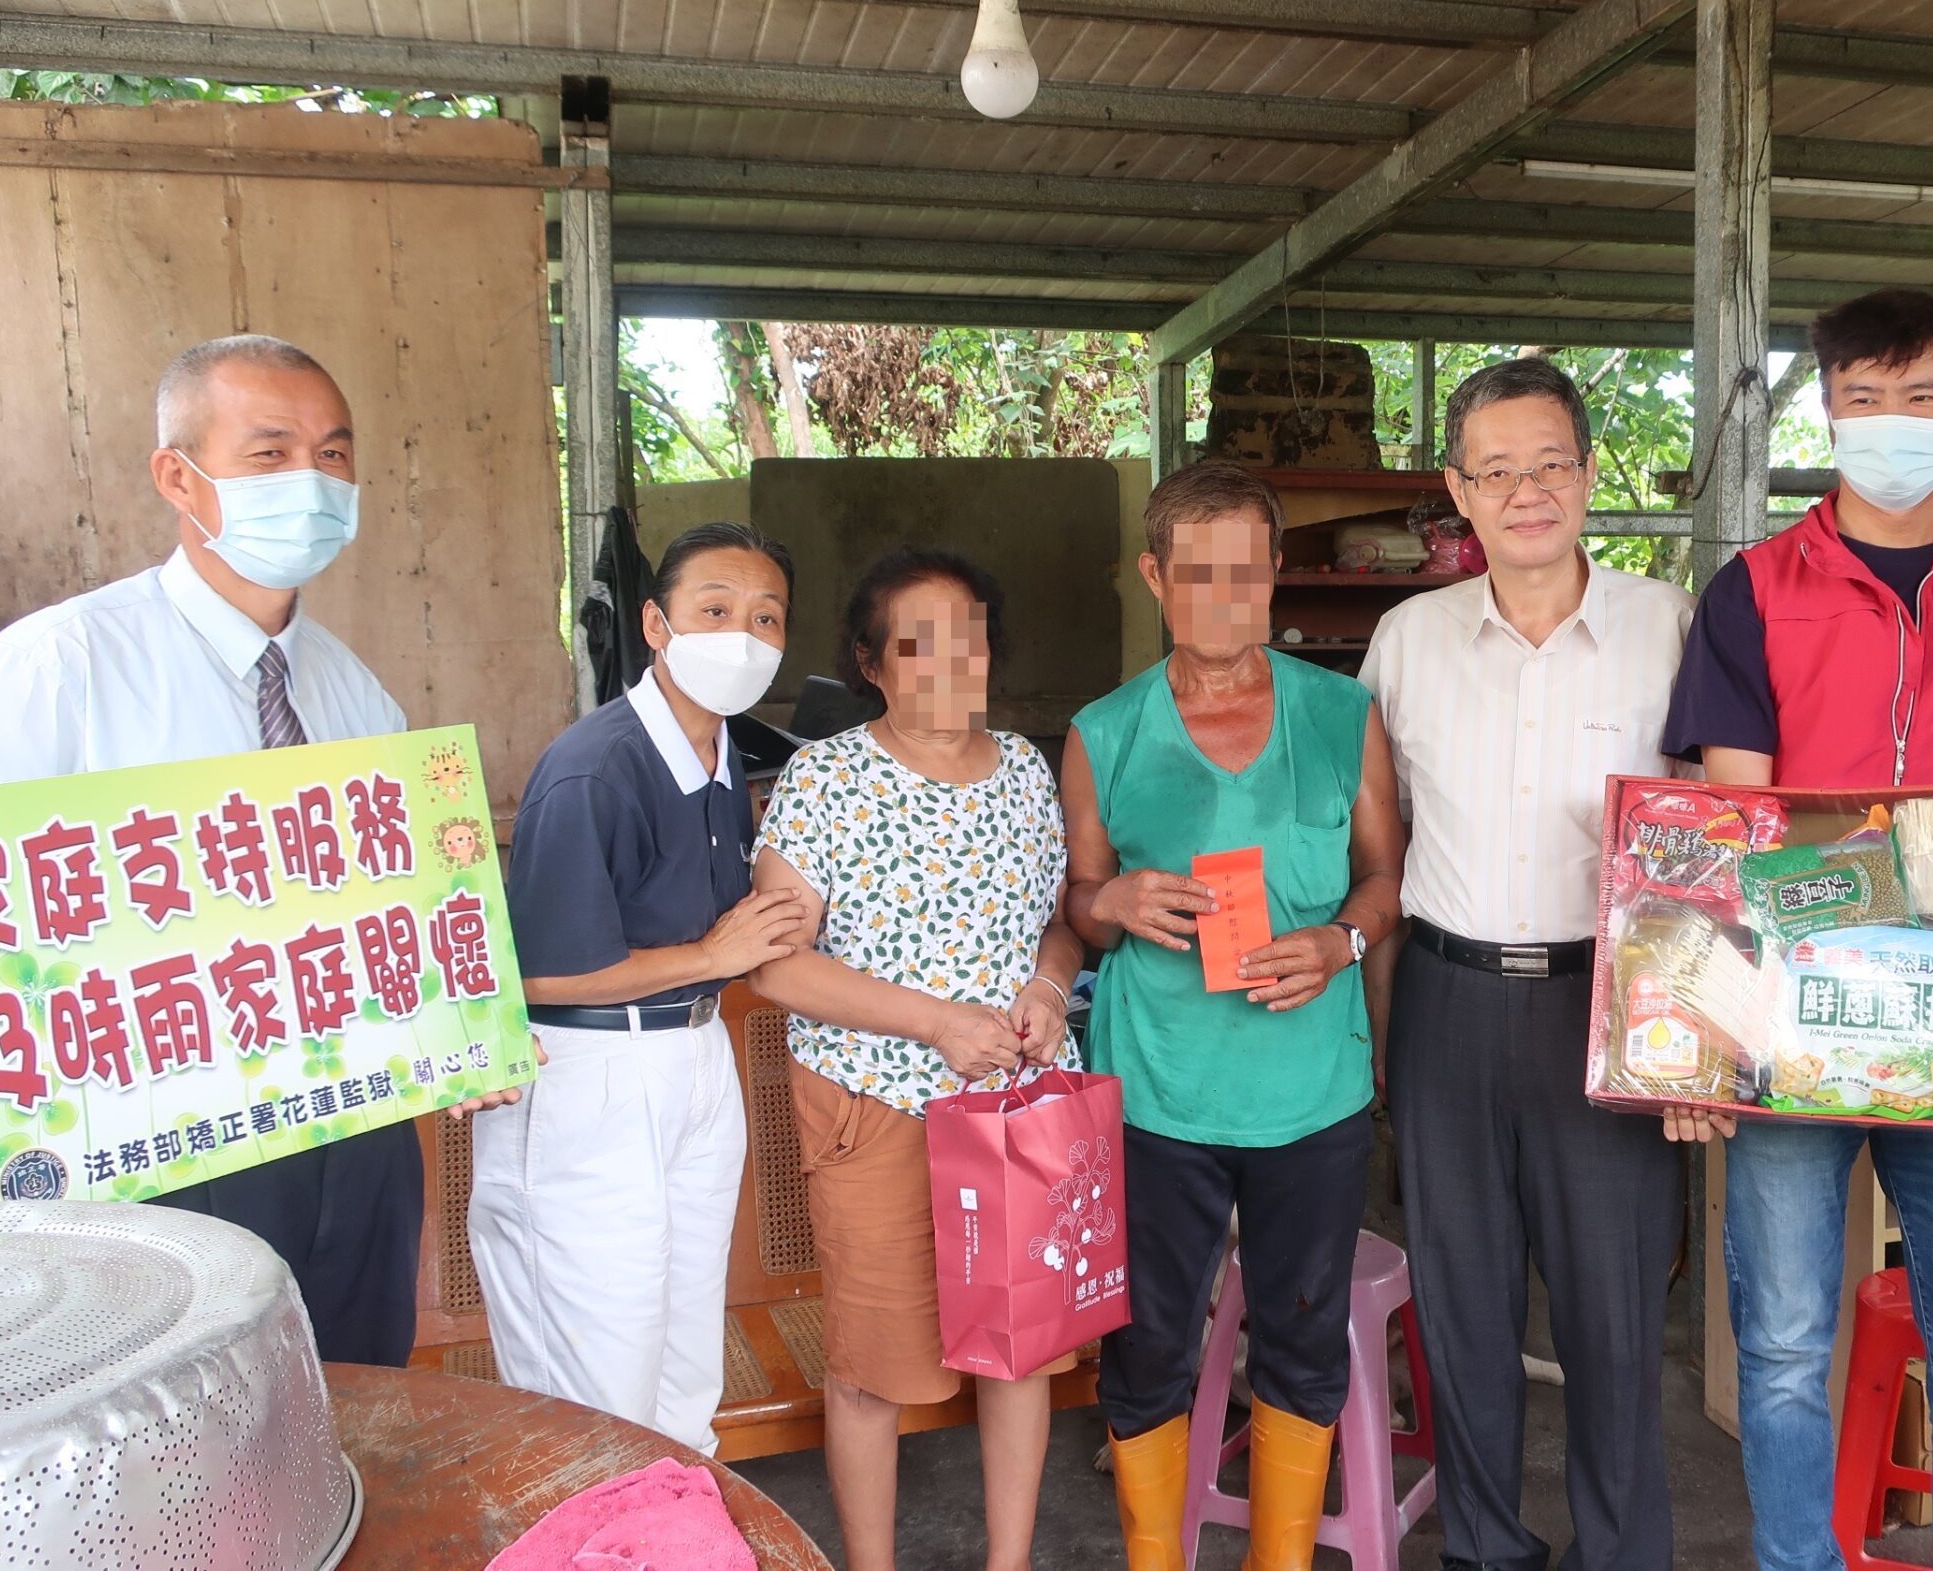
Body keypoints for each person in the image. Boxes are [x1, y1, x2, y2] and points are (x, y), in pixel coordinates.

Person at [0, 333, 490, 1363]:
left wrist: (460, 1032)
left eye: (333, 456)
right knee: (183, 1435)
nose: (312, 485)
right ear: (177, 478)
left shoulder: (354, 693)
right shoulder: (60, 671)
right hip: (156, 1145)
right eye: (269, 455)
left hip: (352, 1131)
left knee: (356, 1402)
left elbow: (398, 914)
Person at [1661, 289, 1933, 1571]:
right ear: (1827, 408)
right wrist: (1702, 1039)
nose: (1894, 424)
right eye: (1866, 398)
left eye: (1925, 398)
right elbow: (1733, 818)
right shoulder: (1757, 588)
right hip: (1799, 1029)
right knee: (1782, 1351)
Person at [1362, 359, 1693, 1571]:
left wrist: (1699, 1044)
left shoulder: (1670, 626)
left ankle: (1623, 1554)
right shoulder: (1406, 641)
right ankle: (1485, 1551)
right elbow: (1371, 849)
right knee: (1463, 1314)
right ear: (1457, 490)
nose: (1525, 491)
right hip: (1446, 1007)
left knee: (1613, 1321)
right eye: (1494, 470)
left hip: (1611, 1009)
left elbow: (1721, 836)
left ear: (1590, 473)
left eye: (1548, 463)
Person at [1064, 461, 1404, 1571]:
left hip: (1309, 1087)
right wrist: (1108, 900)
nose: (1227, 598)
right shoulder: (1103, 732)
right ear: (1154, 577)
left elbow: (1386, 880)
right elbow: (1078, 904)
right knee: (1151, 1340)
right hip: (1160, 1086)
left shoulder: (1338, 712)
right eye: (1200, 574)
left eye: (1249, 574)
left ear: (1273, 579)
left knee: (1302, 1336)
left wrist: (1338, 941)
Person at [747, 548, 1083, 1571]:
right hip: (875, 1107)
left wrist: (1046, 988)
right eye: (918, 641)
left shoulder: (1026, 768)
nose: (952, 659)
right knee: (872, 1370)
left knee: (1017, 1357)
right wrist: (934, 1021)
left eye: (970, 634)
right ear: (871, 664)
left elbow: (1058, 925)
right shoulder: (827, 779)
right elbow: (777, 968)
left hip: (1017, 1111)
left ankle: (1008, 1563)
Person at [467, 521, 804, 1454]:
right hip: (593, 1073)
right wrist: (712, 956)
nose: (744, 633)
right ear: (657, 624)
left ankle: (672, 1535)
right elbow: (539, 968)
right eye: (716, 609)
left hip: (691, 1056)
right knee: (596, 1371)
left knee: (685, 1355)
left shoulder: (726, 751)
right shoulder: (594, 767)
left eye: (767, 617)